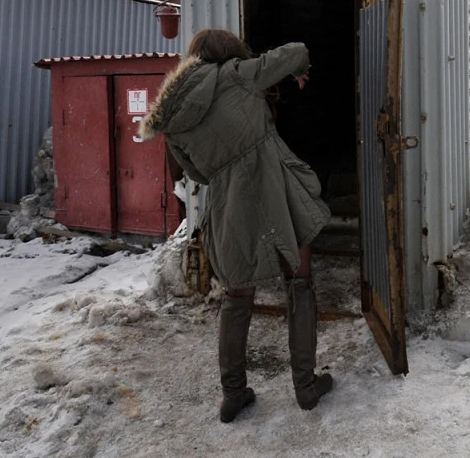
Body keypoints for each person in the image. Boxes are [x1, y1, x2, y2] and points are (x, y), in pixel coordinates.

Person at [139, 29, 334, 423]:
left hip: (229, 205)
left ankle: (232, 394)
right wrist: (299, 72)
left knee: (237, 294)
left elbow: (197, 174)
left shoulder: (171, 119)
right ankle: (305, 386)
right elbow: (296, 49)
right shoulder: (237, 74)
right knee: (299, 278)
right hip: (278, 191)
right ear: (227, 53)